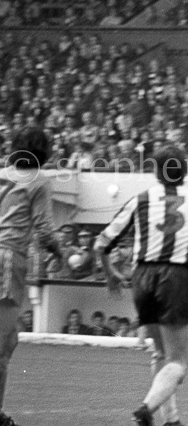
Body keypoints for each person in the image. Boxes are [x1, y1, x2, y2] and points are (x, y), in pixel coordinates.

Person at [95, 145, 188, 426]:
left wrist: (111, 273)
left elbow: (101, 242)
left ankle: (171, 420)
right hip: (176, 277)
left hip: (143, 277)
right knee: (179, 362)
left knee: (160, 353)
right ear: (185, 170)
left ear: (156, 172)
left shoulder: (141, 200)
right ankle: (146, 408)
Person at [0, 127, 64, 426]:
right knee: (2, 343)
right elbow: (44, 227)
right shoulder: (39, 180)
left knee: (10, 339)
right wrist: (59, 252)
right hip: (9, 257)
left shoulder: (2, 173)